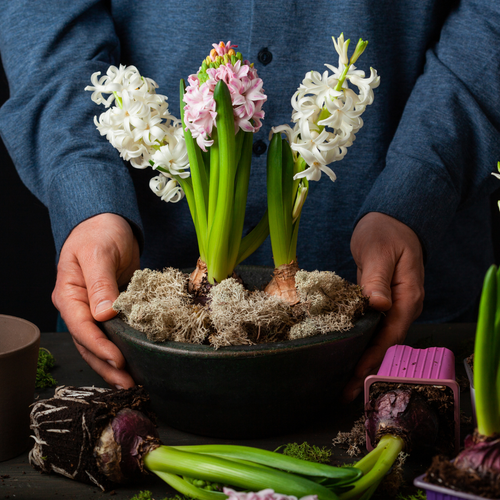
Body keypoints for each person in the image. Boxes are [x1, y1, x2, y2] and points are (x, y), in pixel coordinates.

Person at [0, 0, 499, 403]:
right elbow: (43, 21)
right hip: (139, 326)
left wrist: (416, 192)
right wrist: (89, 199)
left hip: (404, 310)